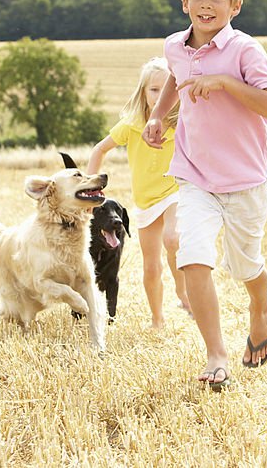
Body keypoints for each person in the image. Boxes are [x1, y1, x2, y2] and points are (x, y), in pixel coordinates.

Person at [142, 0, 267, 391]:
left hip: (245, 181)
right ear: (184, 1)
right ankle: (216, 355)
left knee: (245, 266)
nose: (207, 5)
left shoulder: (245, 50)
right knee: (191, 255)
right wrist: (158, 116)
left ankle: (262, 308)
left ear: (234, 5)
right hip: (194, 175)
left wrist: (225, 83)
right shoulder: (174, 46)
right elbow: (174, 77)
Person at [87, 57, 190, 329]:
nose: (159, 96)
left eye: (167, 88)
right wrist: (91, 189)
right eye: (153, 90)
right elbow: (99, 150)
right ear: (143, 93)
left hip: (174, 189)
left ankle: (183, 291)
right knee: (150, 267)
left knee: (173, 238)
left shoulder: (182, 121)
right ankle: (158, 319)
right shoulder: (131, 124)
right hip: (145, 200)